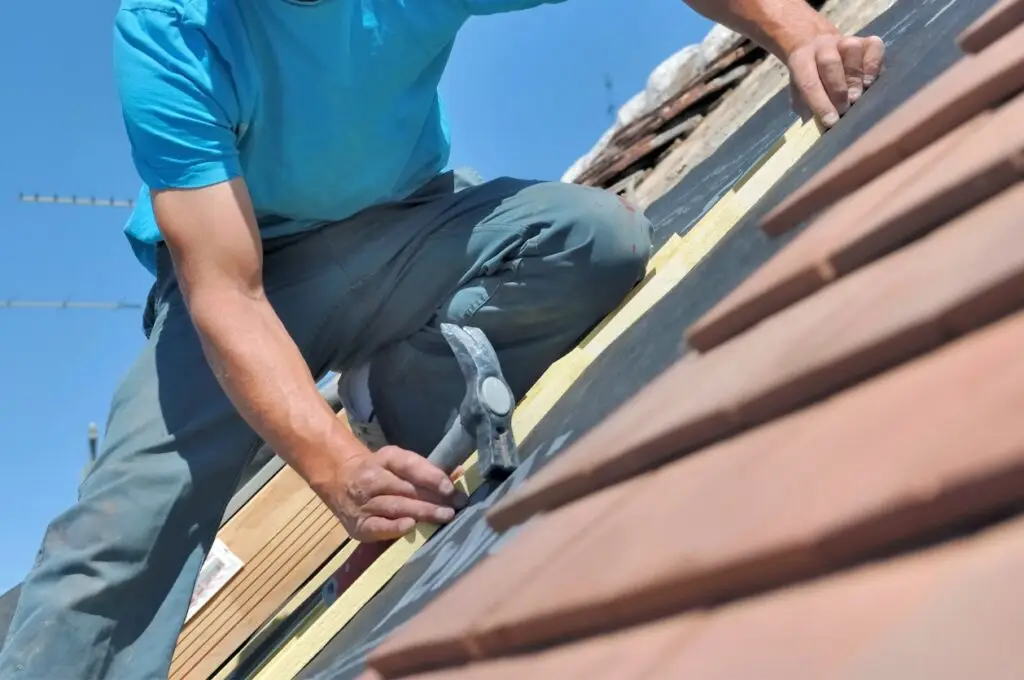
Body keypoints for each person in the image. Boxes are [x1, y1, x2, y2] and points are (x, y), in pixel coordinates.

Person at [0, 0, 884, 677]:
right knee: (117, 539)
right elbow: (226, 294)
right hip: (254, 280)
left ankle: (405, 392)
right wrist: (333, 466)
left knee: (596, 240)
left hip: (411, 227)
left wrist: (796, 29)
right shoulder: (172, 29)